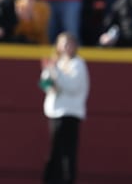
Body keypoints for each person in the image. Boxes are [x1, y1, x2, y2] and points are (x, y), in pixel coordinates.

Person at [39, 32, 90, 184]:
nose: (66, 47)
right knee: (55, 150)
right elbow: (45, 84)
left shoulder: (78, 64)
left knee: (67, 152)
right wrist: (49, 76)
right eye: (63, 43)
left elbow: (72, 86)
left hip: (69, 113)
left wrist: (56, 73)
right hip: (54, 112)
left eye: (69, 43)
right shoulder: (58, 63)